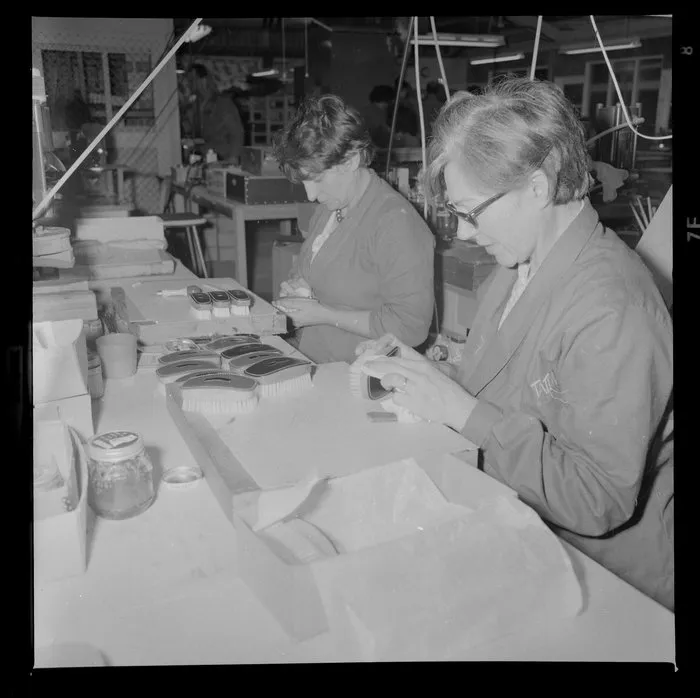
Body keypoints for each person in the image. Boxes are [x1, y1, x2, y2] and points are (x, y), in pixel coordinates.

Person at [357, 77, 674, 611]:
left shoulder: (612, 310)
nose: (463, 233)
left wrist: (463, 412)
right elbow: (504, 381)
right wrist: (425, 373)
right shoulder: (518, 265)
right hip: (527, 534)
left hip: (608, 583)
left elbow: (599, 498)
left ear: (538, 185)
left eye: (471, 211)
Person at [270, 94, 435, 364]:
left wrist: (324, 315)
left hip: (361, 374)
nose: (310, 195)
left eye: (318, 179)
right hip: (314, 359)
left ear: (350, 161)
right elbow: (304, 271)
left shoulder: (396, 224)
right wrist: (299, 288)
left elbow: (411, 326)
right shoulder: (329, 209)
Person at [187, 63, 245, 162]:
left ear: (203, 80)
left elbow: (237, 133)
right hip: (207, 157)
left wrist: (233, 157)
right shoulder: (196, 106)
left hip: (224, 158)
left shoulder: (223, 104)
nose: (189, 84)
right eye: (189, 81)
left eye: (193, 80)